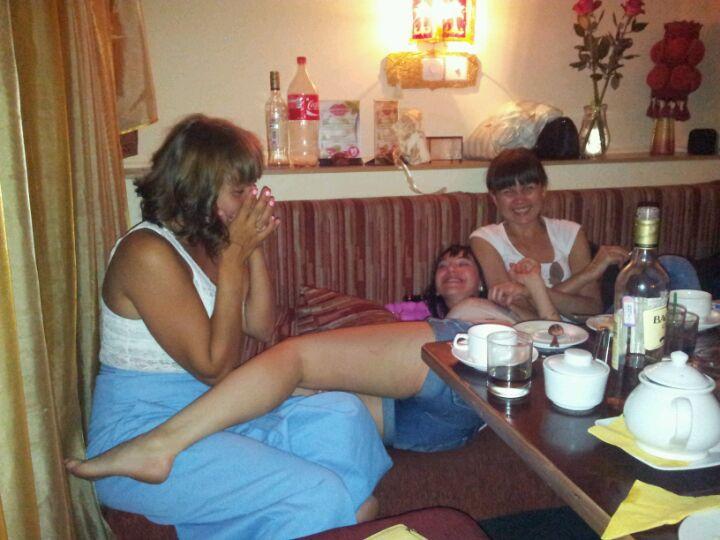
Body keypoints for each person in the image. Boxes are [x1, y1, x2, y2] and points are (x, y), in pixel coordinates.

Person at [83, 114, 392, 539]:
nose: (251, 199)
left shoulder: (207, 241)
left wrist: (251, 248)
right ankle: (335, 510)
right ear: (198, 186)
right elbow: (213, 367)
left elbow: (261, 326)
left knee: (344, 414)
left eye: (251, 188)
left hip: (212, 414)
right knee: (319, 494)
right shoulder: (146, 253)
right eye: (239, 191)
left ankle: (337, 515)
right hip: (145, 435)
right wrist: (232, 260)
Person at [66, 239, 560, 481]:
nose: (451, 270)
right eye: (443, 265)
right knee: (301, 396)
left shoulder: (496, 307)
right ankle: (186, 438)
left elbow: (557, 332)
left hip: (470, 361)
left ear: (482, 276)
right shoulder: (410, 315)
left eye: (463, 263)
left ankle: (159, 445)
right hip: (437, 426)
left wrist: (530, 288)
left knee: (294, 358)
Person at [470, 148, 701, 319]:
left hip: (593, 328)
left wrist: (528, 290)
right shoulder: (486, 239)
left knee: (674, 266)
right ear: (494, 199)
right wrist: (589, 273)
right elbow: (522, 313)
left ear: (543, 191)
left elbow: (592, 308)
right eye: (508, 191)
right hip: (538, 336)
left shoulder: (569, 232)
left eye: (528, 188)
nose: (520, 199)